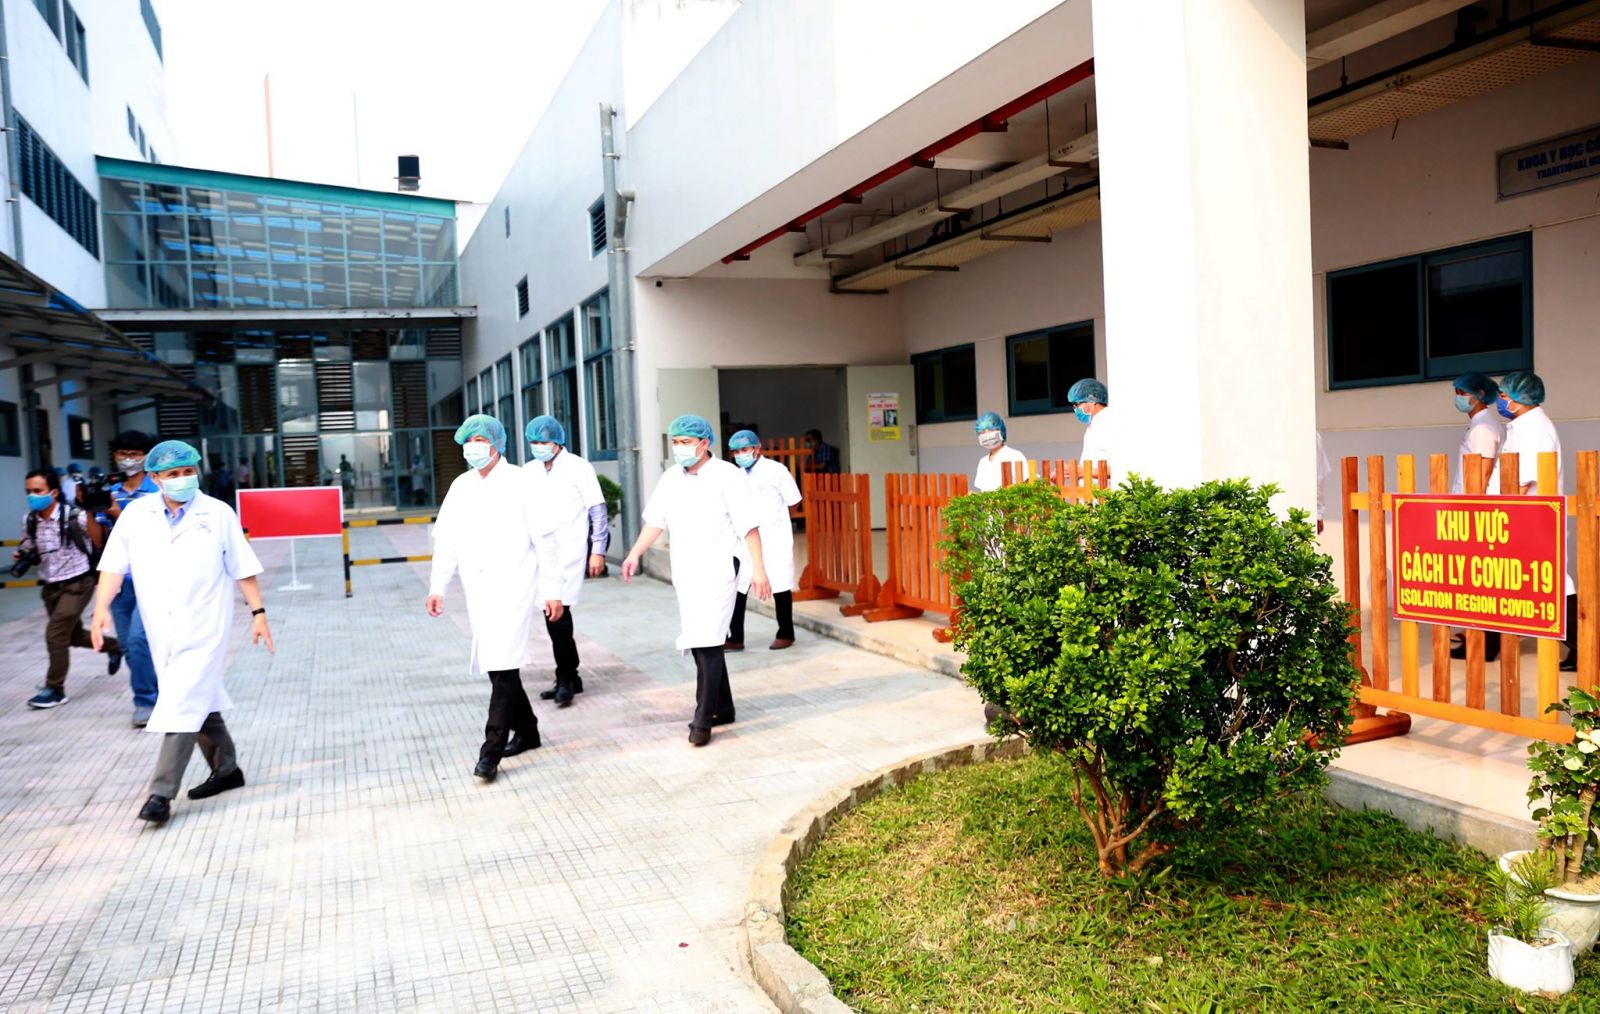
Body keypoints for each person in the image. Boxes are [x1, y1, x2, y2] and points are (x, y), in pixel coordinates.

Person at [88, 440, 273, 826]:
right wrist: (101, 609)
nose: (183, 479)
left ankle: (160, 794)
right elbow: (113, 566)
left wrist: (258, 612)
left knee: (181, 703)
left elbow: (242, 567)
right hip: (162, 628)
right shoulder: (136, 515)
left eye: (188, 471)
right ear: (155, 478)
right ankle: (227, 769)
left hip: (206, 626)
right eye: (173, 474)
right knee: (197, 697)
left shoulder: (217, 513)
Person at [427, 415, 563, 782]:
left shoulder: (522, 482)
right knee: (497, 664)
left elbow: (546, 542)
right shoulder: (461, 486)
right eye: (467, 441)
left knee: (502, 666)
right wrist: (438, 586)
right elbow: (447, 541)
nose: (472, 448)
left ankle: (490, 753)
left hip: (514, 587)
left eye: (479, 440)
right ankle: (529, 730)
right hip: (478, 590)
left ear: (497, 444)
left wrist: (553, 591)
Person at [621, 414, 771, 747]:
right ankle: (724, 707)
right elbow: (655, 522)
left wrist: (759, 570)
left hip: (719, 569)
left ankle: (702, 719)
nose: (679, 448)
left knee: (707, 641)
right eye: (675, 442)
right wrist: (634, 554)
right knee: (701, 637)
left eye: (686, 442)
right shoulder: (671, 478)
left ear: (704, 443)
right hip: (686, 572)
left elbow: (749, 527)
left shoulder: (728, 476)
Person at [1485, 371, 1578, 671]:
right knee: (1517, 582)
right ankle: (1492, 641)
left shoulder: (1534, 429)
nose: (1500, 400)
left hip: (1529, 519)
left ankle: (1584, 646)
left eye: (1503, 395)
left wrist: (1501, 518)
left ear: (1519, 397)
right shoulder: (1522, 426)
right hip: (1520, 518)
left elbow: (1520, 482)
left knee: (1552, 584)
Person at [523, 414, 609, 707]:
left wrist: (598, 550)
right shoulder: (529, 471)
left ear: (557, 441)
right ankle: (571, 677)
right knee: (554, 614)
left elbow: (597, 510)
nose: (538, 446)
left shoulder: (578, 467)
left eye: (543, 441)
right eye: (534, 442)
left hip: (569, 552)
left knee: (558, 614)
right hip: (540, 554)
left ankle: (566, 678)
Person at [17, 469, 119, 709]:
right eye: (28, 491)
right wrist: (23, 552)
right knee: (72, 636)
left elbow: (98, 540)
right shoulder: (29, 519)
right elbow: (29, 543)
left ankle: (55, 689)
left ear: (53, 492)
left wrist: (91, 512)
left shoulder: (74, 516)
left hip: (78, 583)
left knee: (55, 634)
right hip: (51, 586)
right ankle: (115, 646)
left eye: (38, 491)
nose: (32, 496)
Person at [102, 430, 163, 727]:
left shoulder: (157, 490)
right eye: (122, 453)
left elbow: (155, 534)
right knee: (128, 645)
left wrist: (118, 515)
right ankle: (157, 692)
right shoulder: (110, 492)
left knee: (139, 640)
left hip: (150, 576)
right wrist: (93, 510)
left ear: (147, 457)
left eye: (135, 454)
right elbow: (98, 541)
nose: (128, 459)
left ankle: (145, 700)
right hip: (118, 580)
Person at [725, 430, 802, 651]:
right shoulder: (736, 475)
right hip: (746, 538)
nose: (740, 455)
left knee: (780, 584)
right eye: (736, 451)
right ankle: (735, 637)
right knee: (739, 586)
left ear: (757, 448)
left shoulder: (776, 471)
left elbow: (794, 501)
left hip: (774, 538)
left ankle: (786, 633)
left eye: (744, 449)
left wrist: (777, 521)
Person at [1450, 372, 1504, 495]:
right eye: (1457, 392)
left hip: (1472, 500)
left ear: (1480, 394)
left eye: (1463, 393)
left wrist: (1474, 503)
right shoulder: (1479, 424)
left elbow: (1483, 473)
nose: (1458, 397)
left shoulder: (1483, 428)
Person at [1068, 378, 1114, 485]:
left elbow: (1122, 466)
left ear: (1092, 399)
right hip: (1090, 492)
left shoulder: (1110, 423)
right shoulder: (1093, 426)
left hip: (1106, 492)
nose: (1075, 409)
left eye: (1077, 404)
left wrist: (1086, 472)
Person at [970, 412, 1028, 492]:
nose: (987, 435)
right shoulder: (983, 462)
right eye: (982, 432)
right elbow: (983, 490)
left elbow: (1026, 484)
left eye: (991, 430)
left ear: (1001, 431)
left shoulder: (1014, 455)